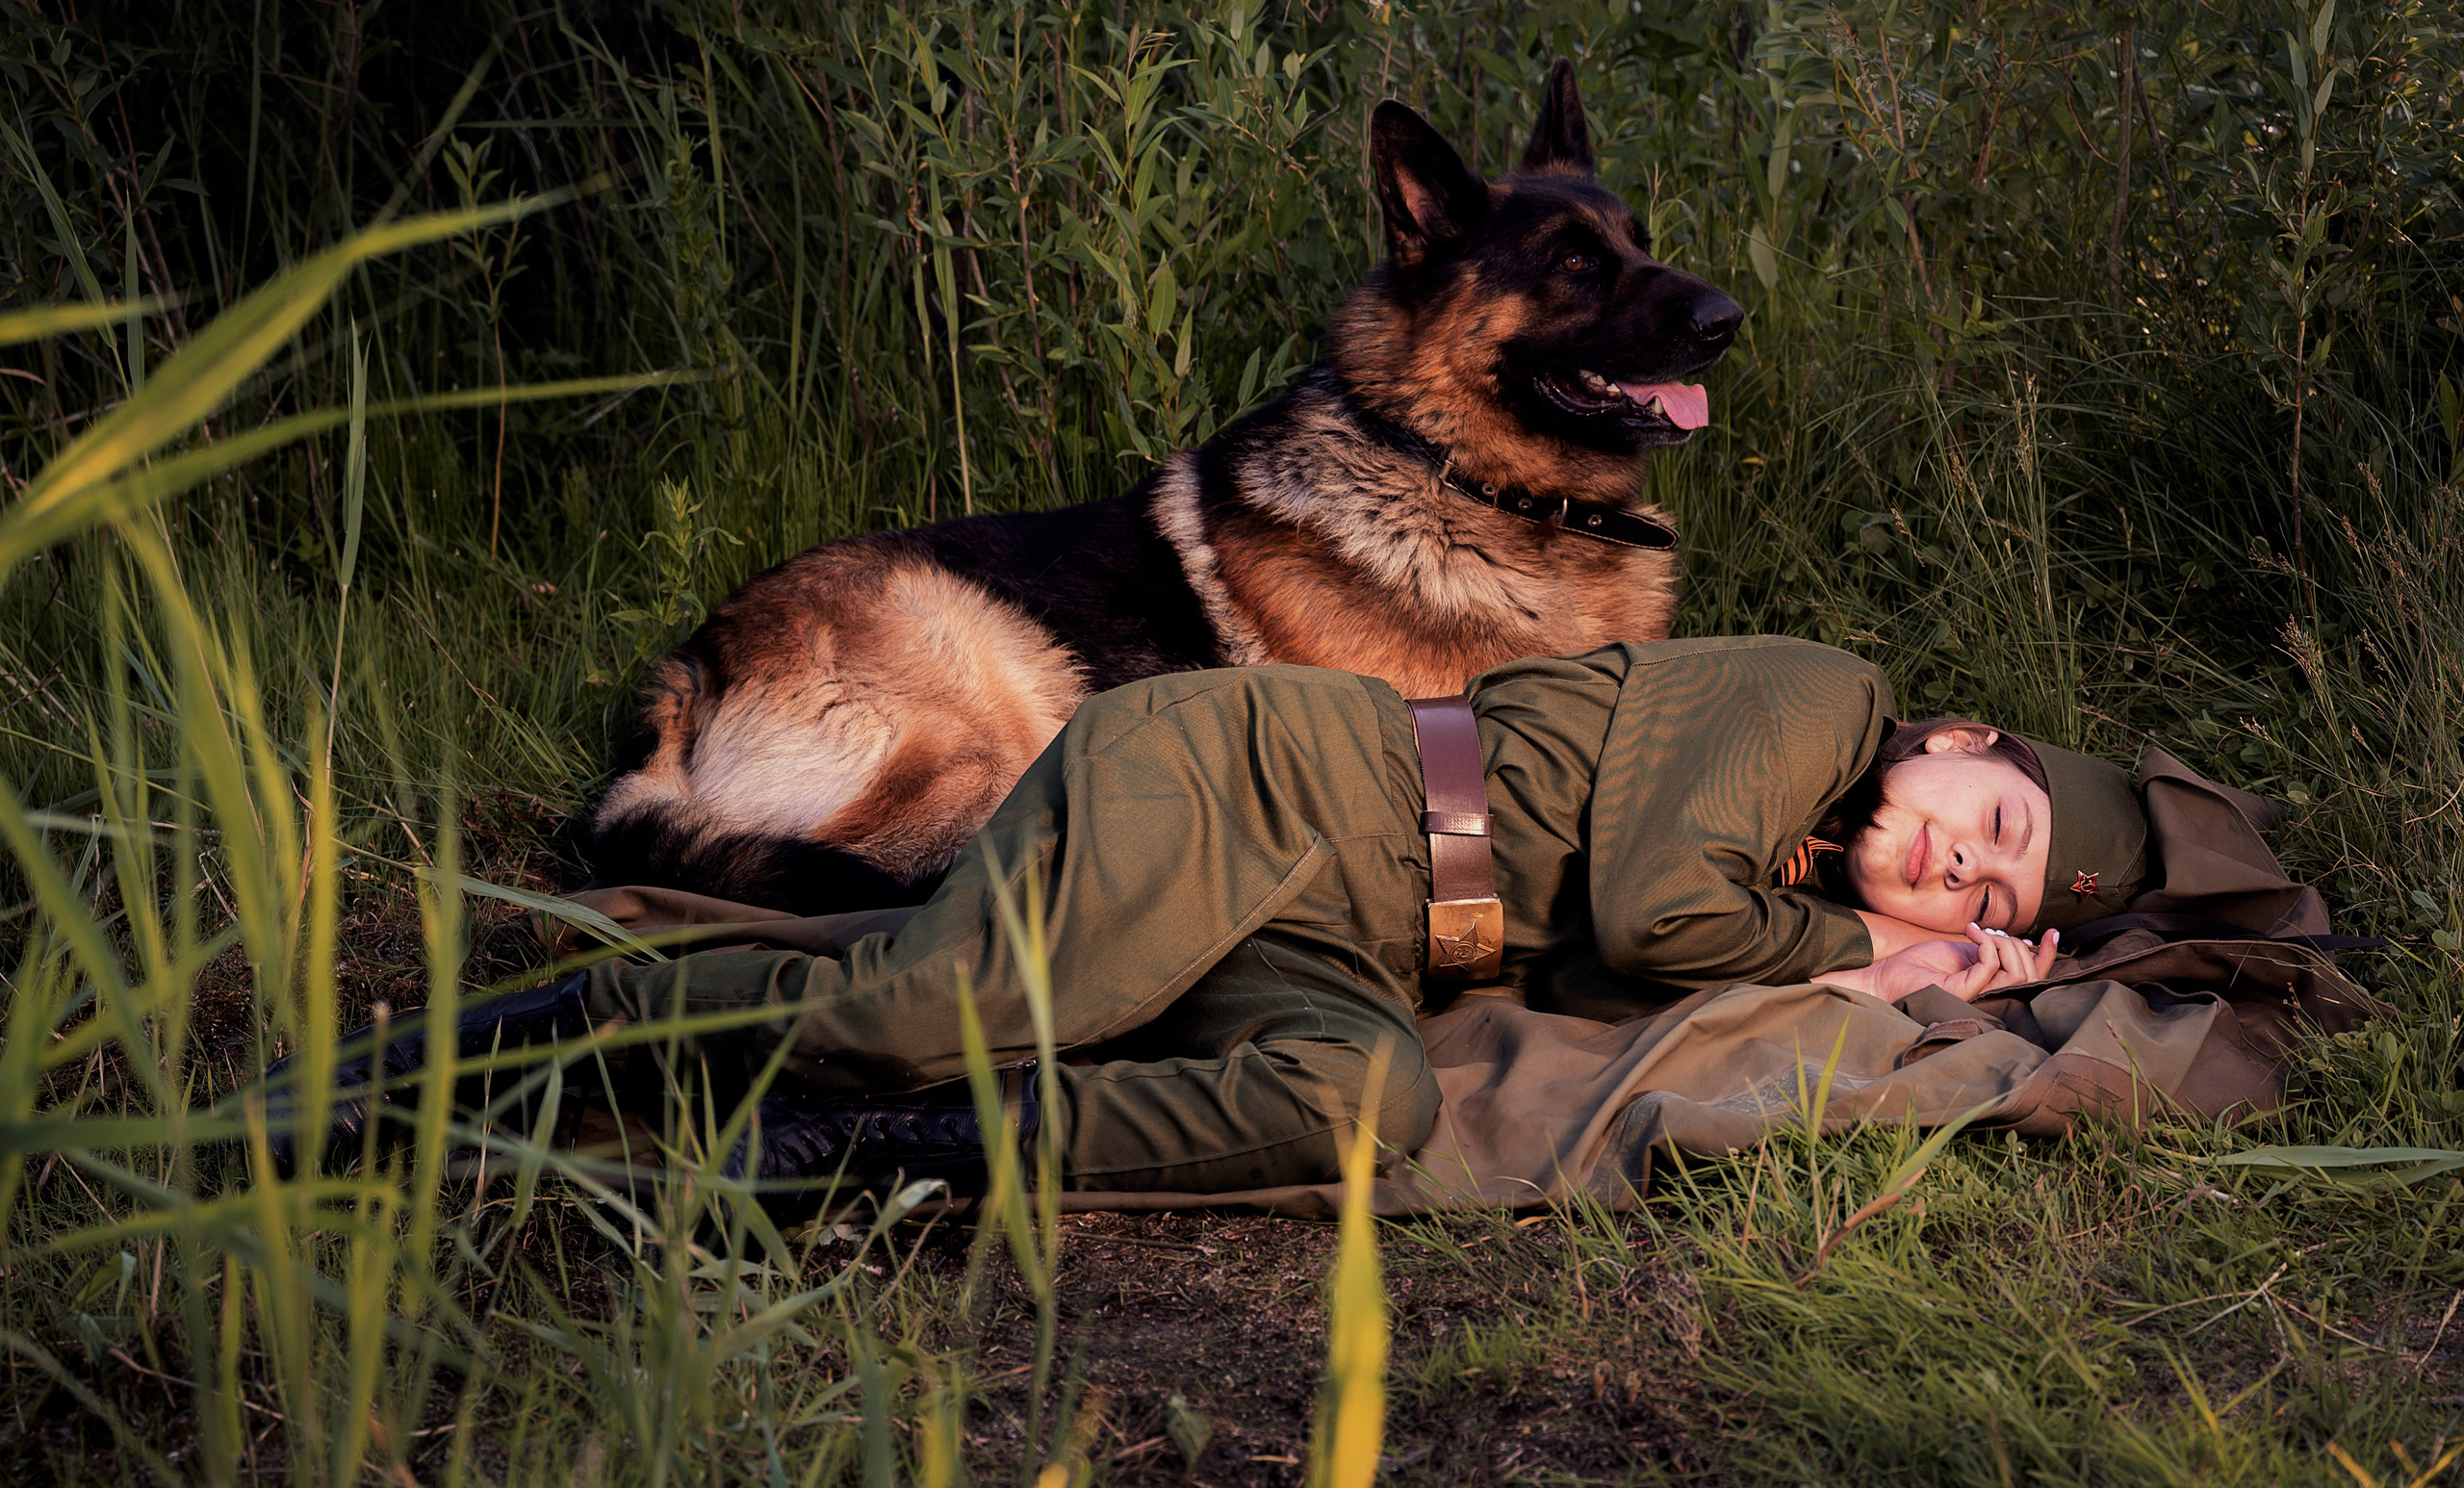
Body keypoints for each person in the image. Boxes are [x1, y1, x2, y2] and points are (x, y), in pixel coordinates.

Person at [269, 637, 2153, 1208]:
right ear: (1962, 740)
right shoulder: (1816, 704)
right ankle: (399, 1079)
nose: (1951, 873)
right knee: (936, 991)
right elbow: (1659, 907)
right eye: (1982, 823)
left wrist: (1875, 964)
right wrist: (1874, 967)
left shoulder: (1800, 872)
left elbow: (1647, 943)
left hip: (1363, 924)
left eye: (1982, 894)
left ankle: (875, 1155)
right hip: (1270, 779)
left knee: (1365, 1096)